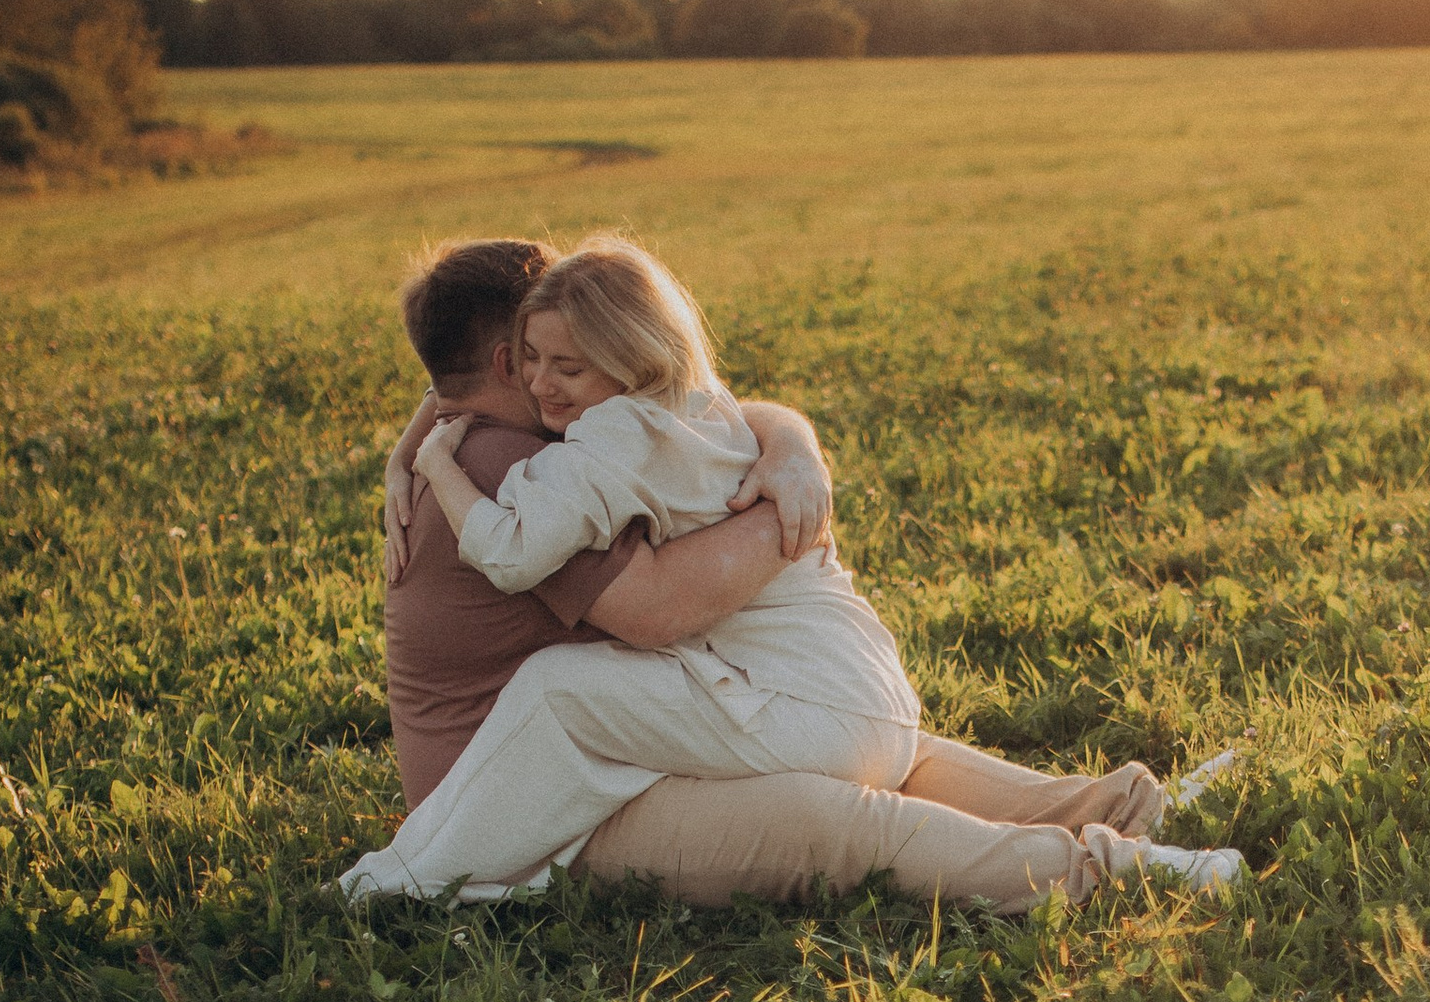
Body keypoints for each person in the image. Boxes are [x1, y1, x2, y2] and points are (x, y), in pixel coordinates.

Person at [355, 237, 1240, 910]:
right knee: (832, 816)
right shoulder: (511, 464)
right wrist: (787, 514)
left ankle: (1121, 807)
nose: (568, 373)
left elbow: (680, 407)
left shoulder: (517, 426)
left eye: (575, 354)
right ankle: (1113, 867)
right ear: (516, 360)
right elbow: (660, 609)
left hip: (622, 739)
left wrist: (790, 445)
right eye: (546, 353)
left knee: (847, 737)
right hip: (537, 804)